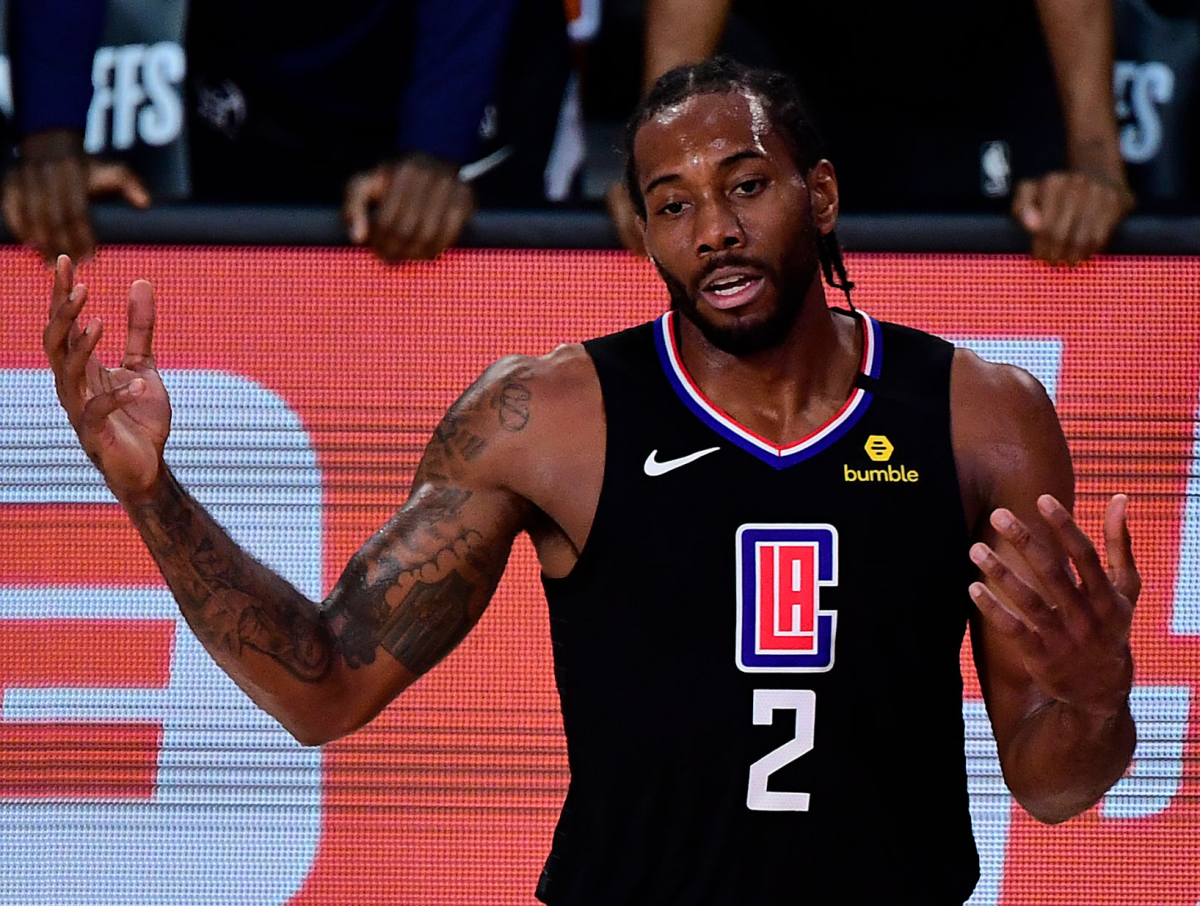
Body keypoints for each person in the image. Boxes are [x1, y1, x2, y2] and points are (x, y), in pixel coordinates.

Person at [42, 59, 1137, 904]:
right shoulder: (544, 420)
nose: (713, 230)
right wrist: (152, 490)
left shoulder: (983, 415)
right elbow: (321, 685)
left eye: (746, 186)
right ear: (645, 233)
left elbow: (1053, 785)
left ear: (822, 194)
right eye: (671, 204)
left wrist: (1094, 689)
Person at [608, 0, 1136, 267]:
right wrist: (659, 164)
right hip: (803, 74)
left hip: (985, 81)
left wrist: (1094, 163)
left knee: (1048, 226)